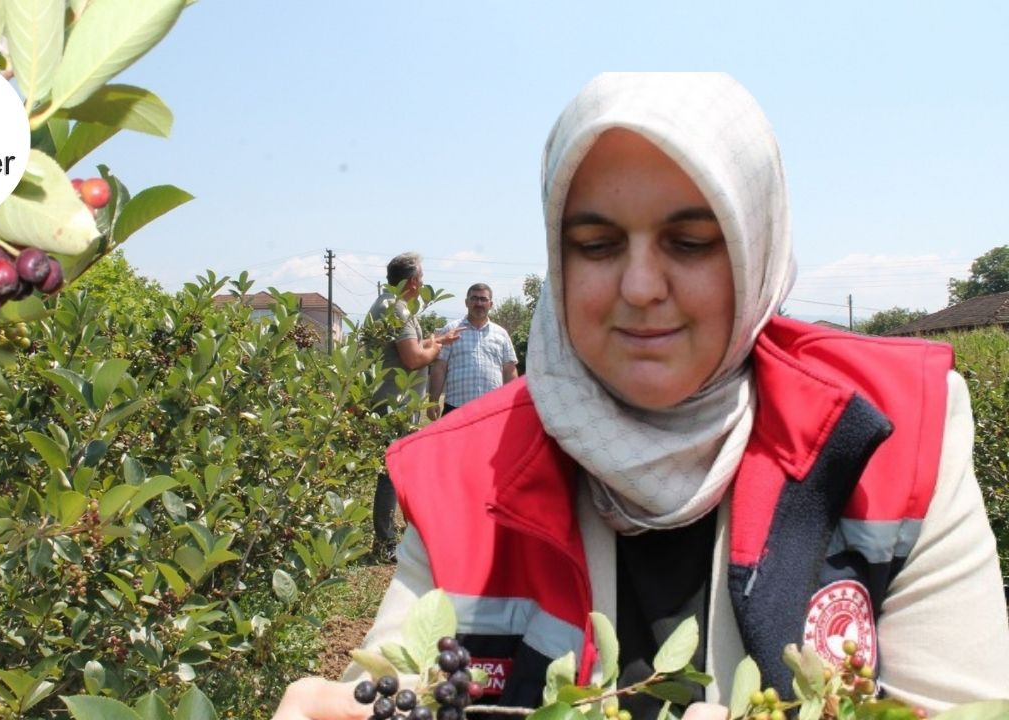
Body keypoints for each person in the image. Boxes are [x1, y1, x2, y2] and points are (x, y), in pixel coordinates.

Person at [275, 73, 1009, 719]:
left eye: (689, 242)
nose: (639, 287)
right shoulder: (461, 478)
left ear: (756, 250)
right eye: (596, 245)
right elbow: (394, 683)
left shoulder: (898, 437)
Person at [366, 252, 463, 563]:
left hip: (392, 403)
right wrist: (435, 348)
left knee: (399, 472)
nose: (422, 286)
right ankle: (385, 543)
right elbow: (412, 358)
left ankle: (405, 535)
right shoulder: (397, 309)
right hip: (395, 404)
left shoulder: (387, 304)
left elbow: (408, 349)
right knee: (391, 474)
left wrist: (437, 340)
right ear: (411, 282)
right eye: (421, 280)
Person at [426, 283, 518, 419]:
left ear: (491, 304)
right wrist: (433, 401)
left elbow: (510, 370)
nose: (479, 303)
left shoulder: (501, 334)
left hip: (492, 410)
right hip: (456, 408)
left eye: (483, 299)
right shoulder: (451, 330)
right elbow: (439, 367)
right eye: (474, 298)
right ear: (466, 302)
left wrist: (513, 404)